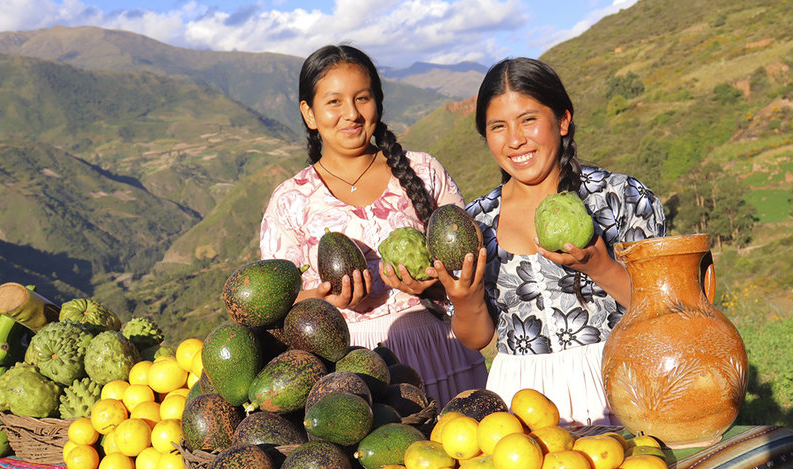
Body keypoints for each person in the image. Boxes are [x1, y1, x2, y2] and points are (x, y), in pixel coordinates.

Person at [431, 57, 666, 426]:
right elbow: (477, 338)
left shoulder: (619, 196)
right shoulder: (476, 223)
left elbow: (666, 306)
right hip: (521, 404)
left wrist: (601, 267)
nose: (515, 139)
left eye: (528, 120)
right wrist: (465, 301)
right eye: (498, 126)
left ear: (562, 120)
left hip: (622, 382)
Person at [259, 44, 487, 406]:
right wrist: (319, 301)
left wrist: (433, 286)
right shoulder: (289, 201)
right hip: (350, 375)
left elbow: (471, 266)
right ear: (309, 113)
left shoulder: (424, 171)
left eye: (362, 98)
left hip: (440, 350)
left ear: (377, 103)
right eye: (334, 102)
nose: (351, 113)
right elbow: (275, 308)